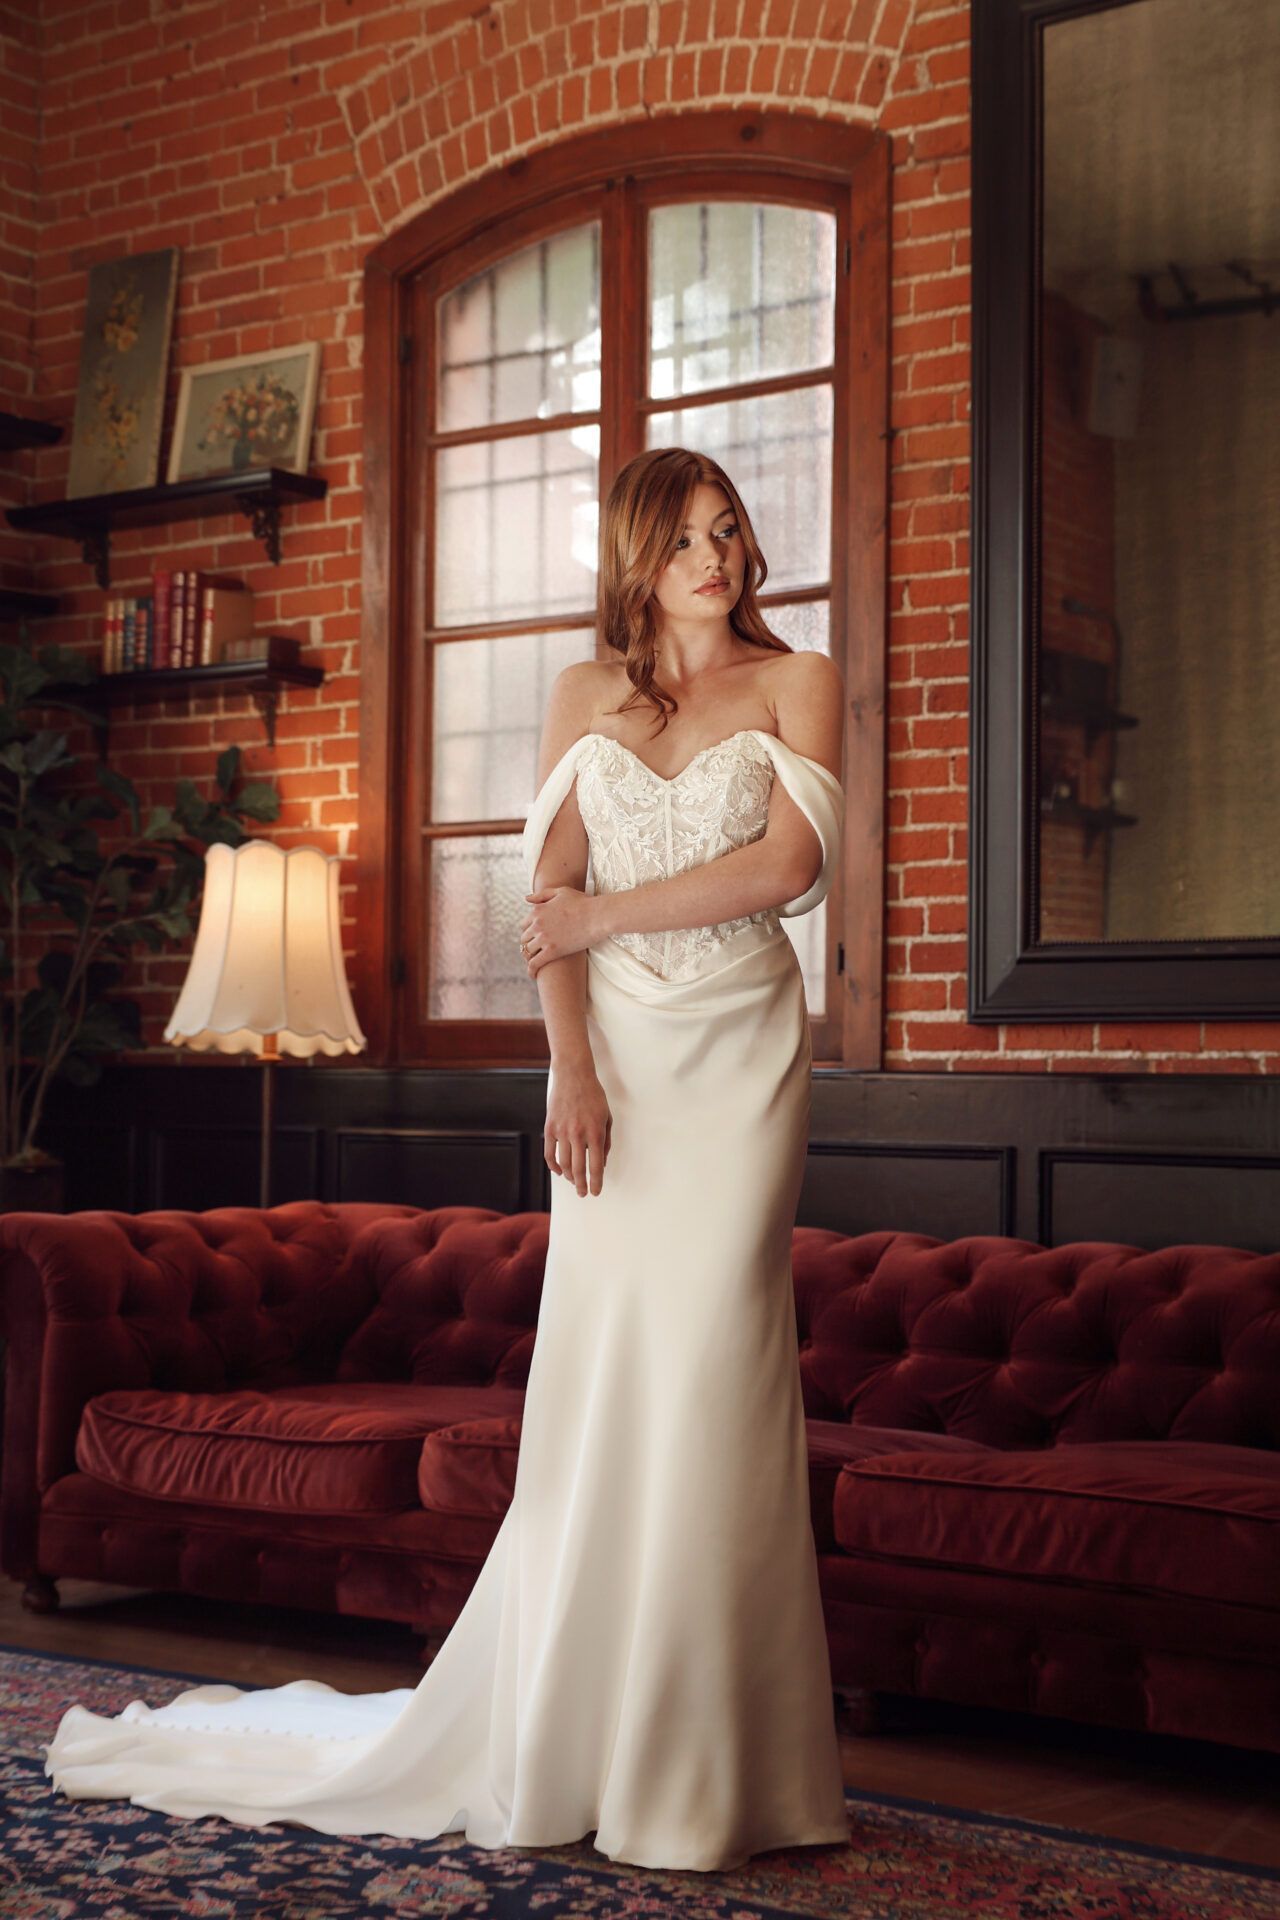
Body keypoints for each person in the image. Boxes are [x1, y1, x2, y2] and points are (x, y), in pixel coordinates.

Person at [39, 446, 850, 1874]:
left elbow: (785, 871)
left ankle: (709, 1767)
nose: (714, 559)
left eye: (727, 531)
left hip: (736, 1065)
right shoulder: (581, 697)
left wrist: (605, 923)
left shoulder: (801, 680)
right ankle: (576, 1734)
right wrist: (575, 1067)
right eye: (681, 541)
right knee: (603, 1385)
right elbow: (545, 899)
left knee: (716, 1369)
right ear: (635, 560)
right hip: (617, 1072)